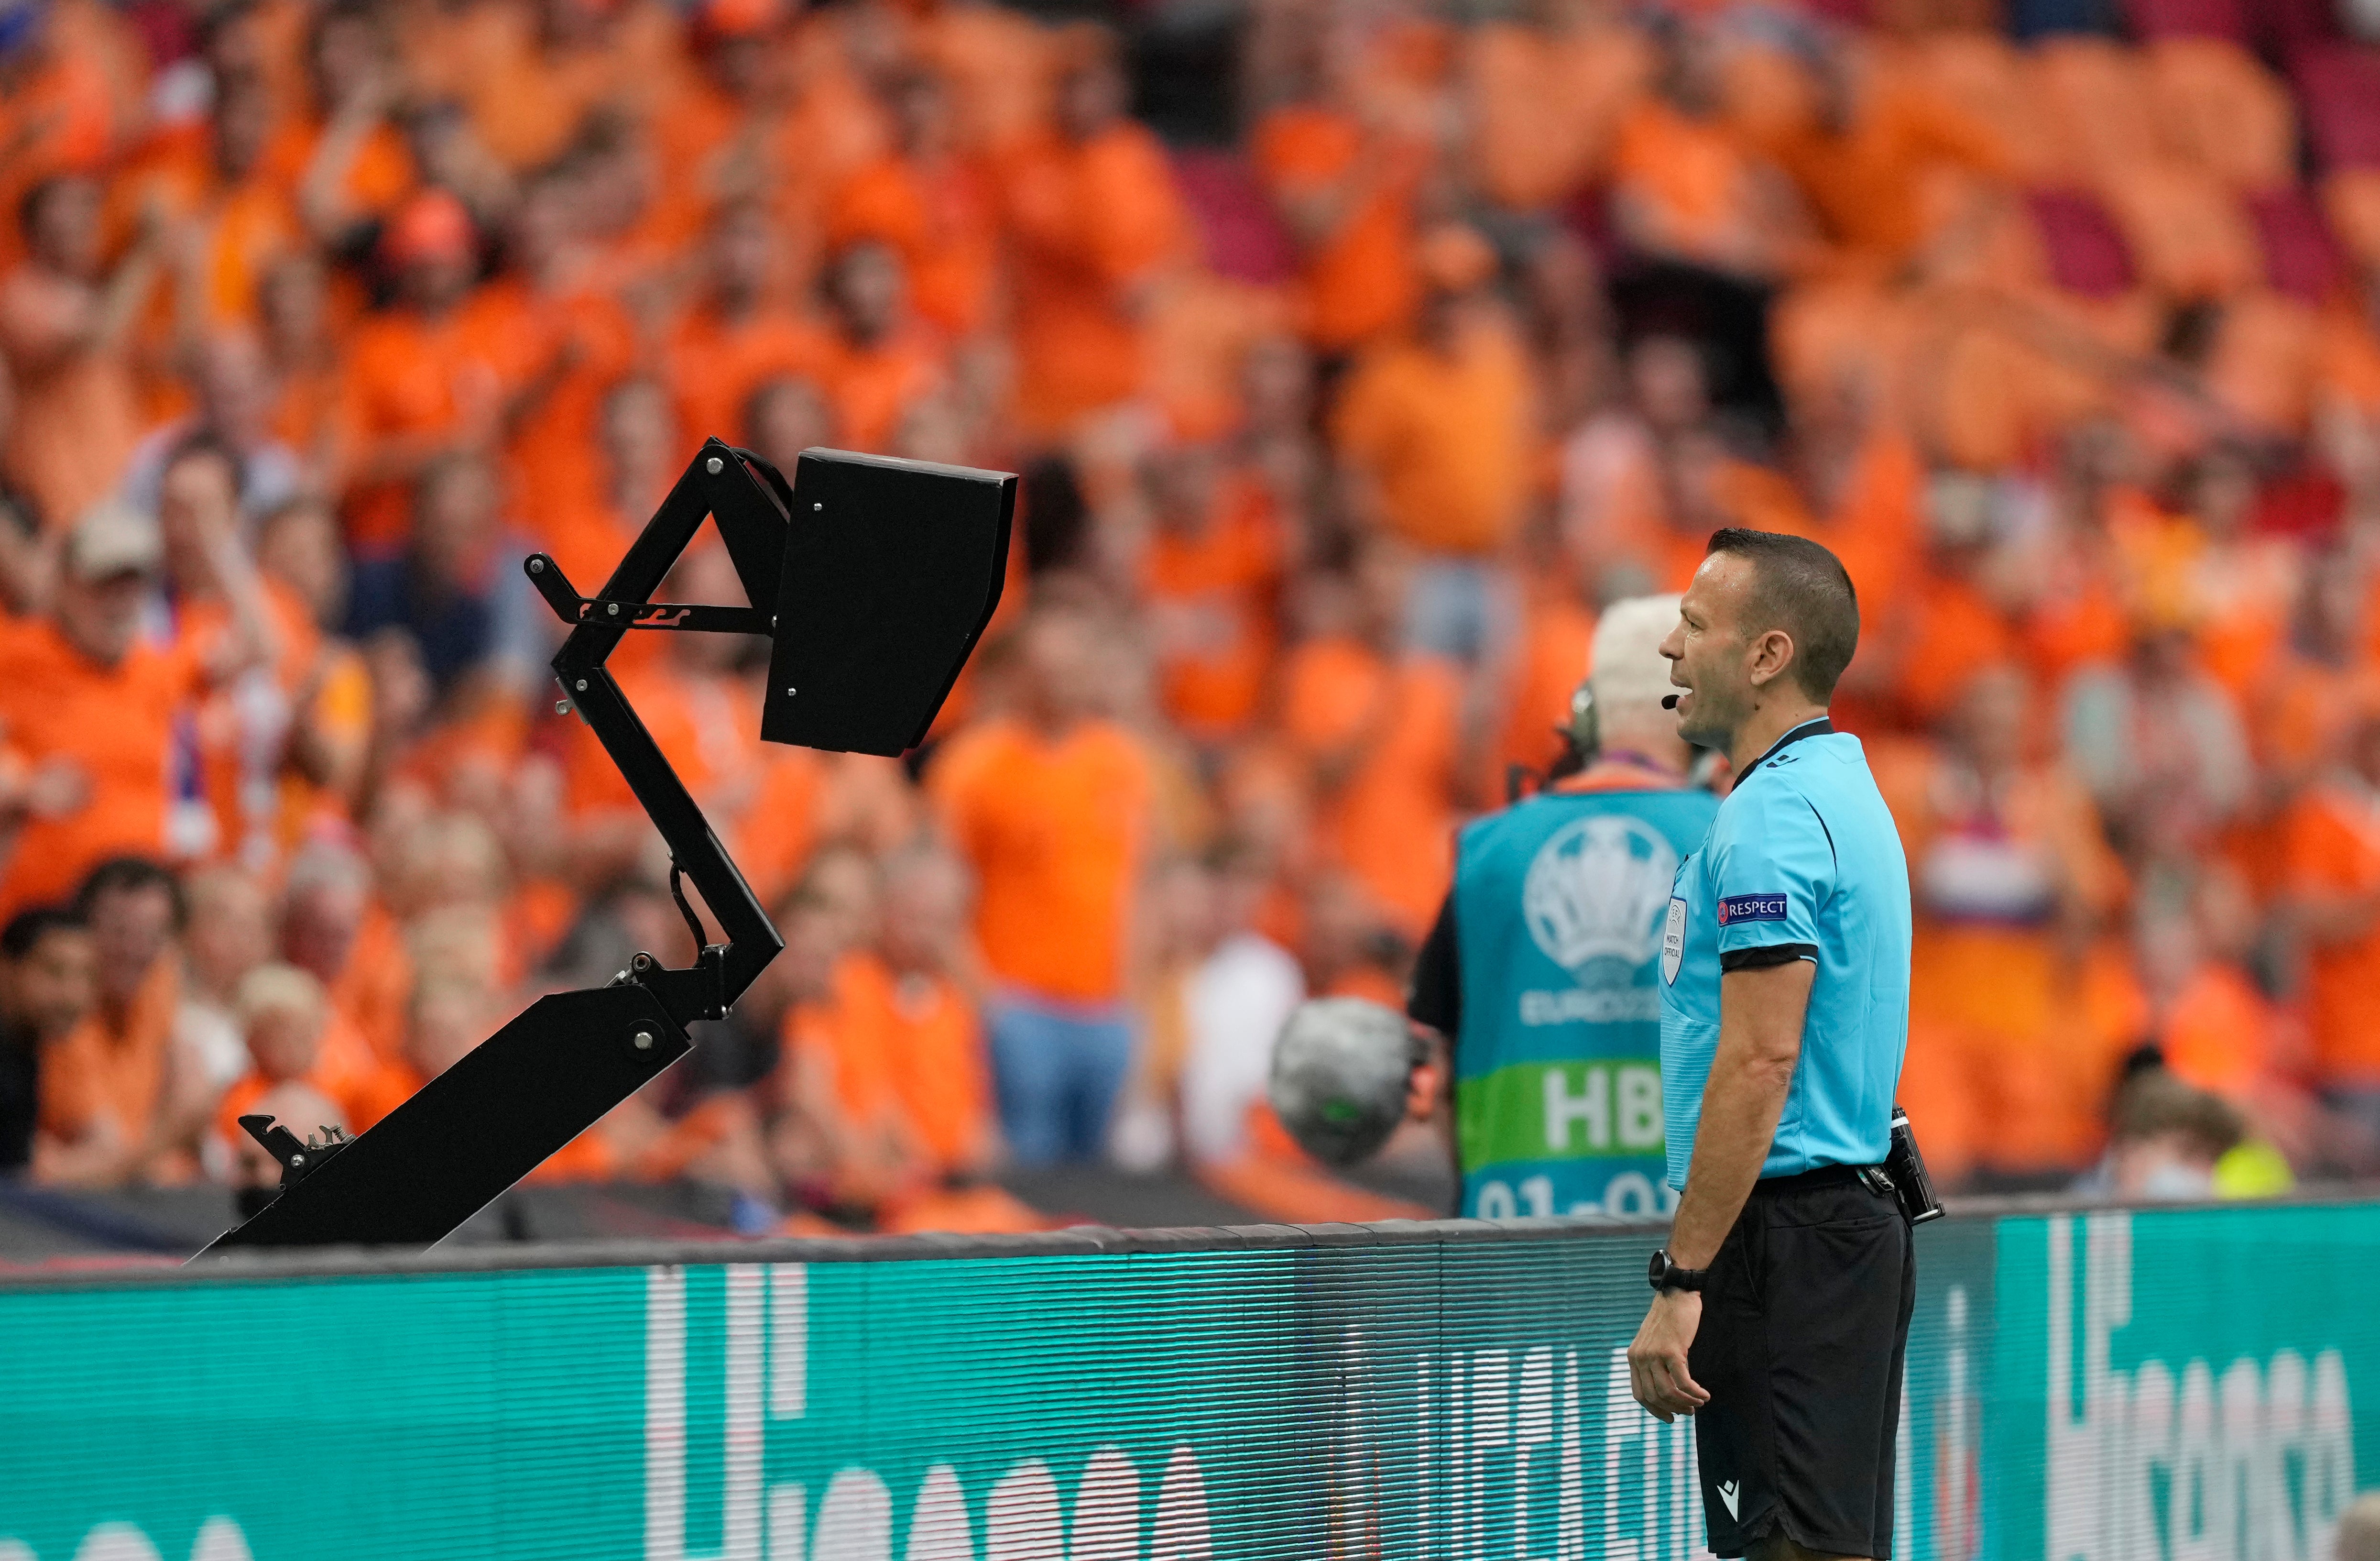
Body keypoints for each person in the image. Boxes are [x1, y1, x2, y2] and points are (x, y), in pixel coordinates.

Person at [1629, 528, 1914, 1561]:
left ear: (1766, 656)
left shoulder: (1772, 820)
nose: (1669, 646)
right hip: (1834, 1230)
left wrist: (1680, 1279)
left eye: (1695, 625)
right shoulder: (1835, 791)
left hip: (1788, 1241)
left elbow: (1759, 1059)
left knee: (1787, 1548)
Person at [1405, 594, 1720, 1219]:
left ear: (1587, 715)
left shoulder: (1485, 851)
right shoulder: (1732, 839)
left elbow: (1435, 1069)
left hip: (1512, 1249)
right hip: (1691, 1259)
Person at [0, 906, 96, 1174]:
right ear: (6, 969)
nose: (72, 996)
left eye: (87, 975)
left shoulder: (26, 1051)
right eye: (54, 972)